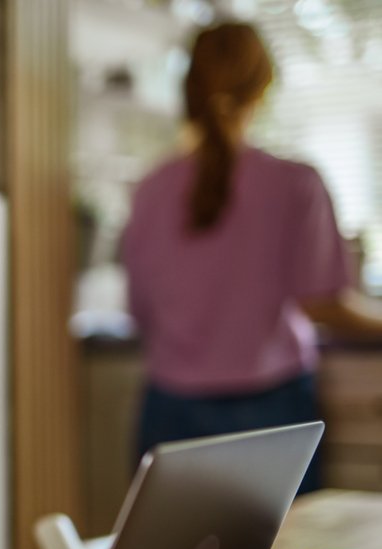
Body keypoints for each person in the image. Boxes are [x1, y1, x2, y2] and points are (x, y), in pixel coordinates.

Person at [120, 20, 382, 493]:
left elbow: (140, 310)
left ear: (190, 90)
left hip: (168, 411)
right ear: (264, 87)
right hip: (268, 412)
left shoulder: (150, 189)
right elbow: (323, 302)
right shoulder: (295, 184)